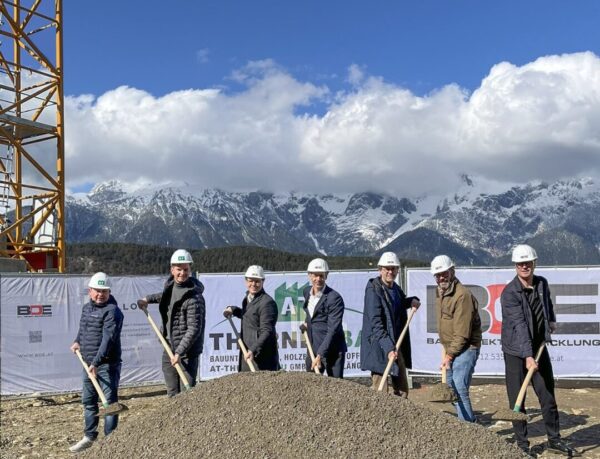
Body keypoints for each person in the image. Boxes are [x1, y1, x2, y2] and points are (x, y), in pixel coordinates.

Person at [501, 244, 580, 457]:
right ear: (515, 266)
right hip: (516, 352)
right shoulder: (509, 294)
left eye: (528, 262)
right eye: (520, 264)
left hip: (538, 347)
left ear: (534, 263)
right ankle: (522, 445)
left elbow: (547, 304)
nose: (524, 266)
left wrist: (551, 320)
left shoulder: (542, 283)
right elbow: (519, 326)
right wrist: (527, 356)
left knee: (547, 396)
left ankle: (554, 439)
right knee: (518, 399)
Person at [137, 249, 206, 397]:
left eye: (186, 269)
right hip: (169, 348)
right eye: (179, 269)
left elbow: (194, 329)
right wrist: (147, 299)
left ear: (190, 270)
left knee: (187, 395)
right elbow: (166, 297)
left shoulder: (194, 297)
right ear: (172, 270)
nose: (182, 273)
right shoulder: (170, 287)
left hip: (187, 353)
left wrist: (179, 352)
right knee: (172, 394)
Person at [69, 272, 124, 453]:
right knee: (89, 401)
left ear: (109, 292)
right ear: (90, 290)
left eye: (104, 291)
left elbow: (108, 339)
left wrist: (97, 362)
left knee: (109, 403)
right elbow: (83, 329)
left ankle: (110, 441)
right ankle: (89, 436)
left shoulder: (112, 311)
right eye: (97, 291)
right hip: (88, 363)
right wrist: (78, 341)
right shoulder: (86, 308)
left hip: (107, 364)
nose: (100, 294)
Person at [360, 252, 420, 397]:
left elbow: (398, 305)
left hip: (395, 344)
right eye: (387, 268)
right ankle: (378, 419)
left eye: (393, 268)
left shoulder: (396, 289)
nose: (390, 272)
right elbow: (376, 324)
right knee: (380, 392)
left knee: (402, 390)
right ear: (380, 269)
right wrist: (388, 349)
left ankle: (402, 418)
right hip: (379, 346)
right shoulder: (373, 290)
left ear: (398, 270)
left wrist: (411, 301)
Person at [431, 255, 482, 423]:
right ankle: (463, 421)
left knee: (459, 387)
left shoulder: (462, 296)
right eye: (437, 275)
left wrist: (449, 355)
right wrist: (447, 349)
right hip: (452, 348)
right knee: (452, 388)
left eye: (444, 273)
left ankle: (469, 427)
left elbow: (462, 333)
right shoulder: (441, 292)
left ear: (452, 271)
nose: (441, 278)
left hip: (466, 347)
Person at [223, 265, 280, 371]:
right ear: (246, 281)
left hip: (262, 358)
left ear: (263, 281)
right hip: (248, 353)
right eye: (250, 281)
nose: (253, 284)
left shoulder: (267, 303)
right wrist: (234, 310)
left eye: (257, 281)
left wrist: (253, 350)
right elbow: (250, 317)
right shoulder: (248, 298)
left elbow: (267, 331)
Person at [300, 258, 347, 377]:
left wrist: (320, 354)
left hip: (333, 351)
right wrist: (307, 323)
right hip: (313, 348)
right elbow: (312, 315)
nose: (318, 279)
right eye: (315, 275)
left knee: (336, 388)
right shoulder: (306, 292)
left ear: (326, 276)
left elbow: (333, 330)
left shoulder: (334, 298)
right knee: (312, 387)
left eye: (321, 275)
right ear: (309, 275)